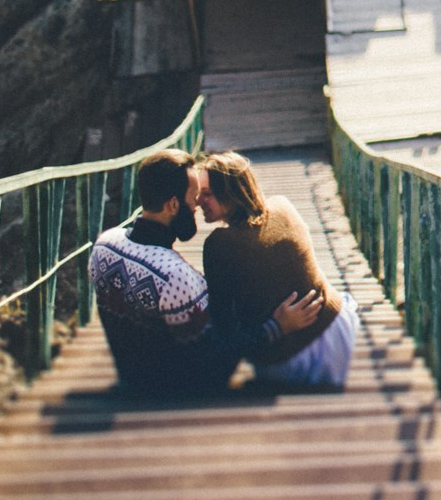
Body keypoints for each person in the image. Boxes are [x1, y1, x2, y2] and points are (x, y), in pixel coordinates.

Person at [87, 148, 324, 396]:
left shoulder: (105, 244)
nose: (198, 206)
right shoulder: (175, 277)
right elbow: (213, 354)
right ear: (173, 205)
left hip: (130, 375)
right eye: (193, 199)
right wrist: (277, 326)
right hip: (177, 388)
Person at [197, 150, 354, 388]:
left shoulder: (220, 244)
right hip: (337, 326)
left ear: (228, 193)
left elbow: (223, 328)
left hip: (293, 356)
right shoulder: (283, 205)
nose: (199, 201)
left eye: (207, 194)